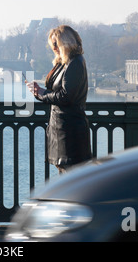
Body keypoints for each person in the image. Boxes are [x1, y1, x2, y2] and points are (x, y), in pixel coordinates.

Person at [26, 25, 92, 174]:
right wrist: (39, 91)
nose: (54, 48)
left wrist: (42, 93)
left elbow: (66, 96)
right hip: (61, 130)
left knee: (72, 179)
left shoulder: (75, 63)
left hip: (70, 132)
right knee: (67, 177)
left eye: (56, 44)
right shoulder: (65, 63)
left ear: (66, 42)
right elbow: (57, 92)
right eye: (52, 45)